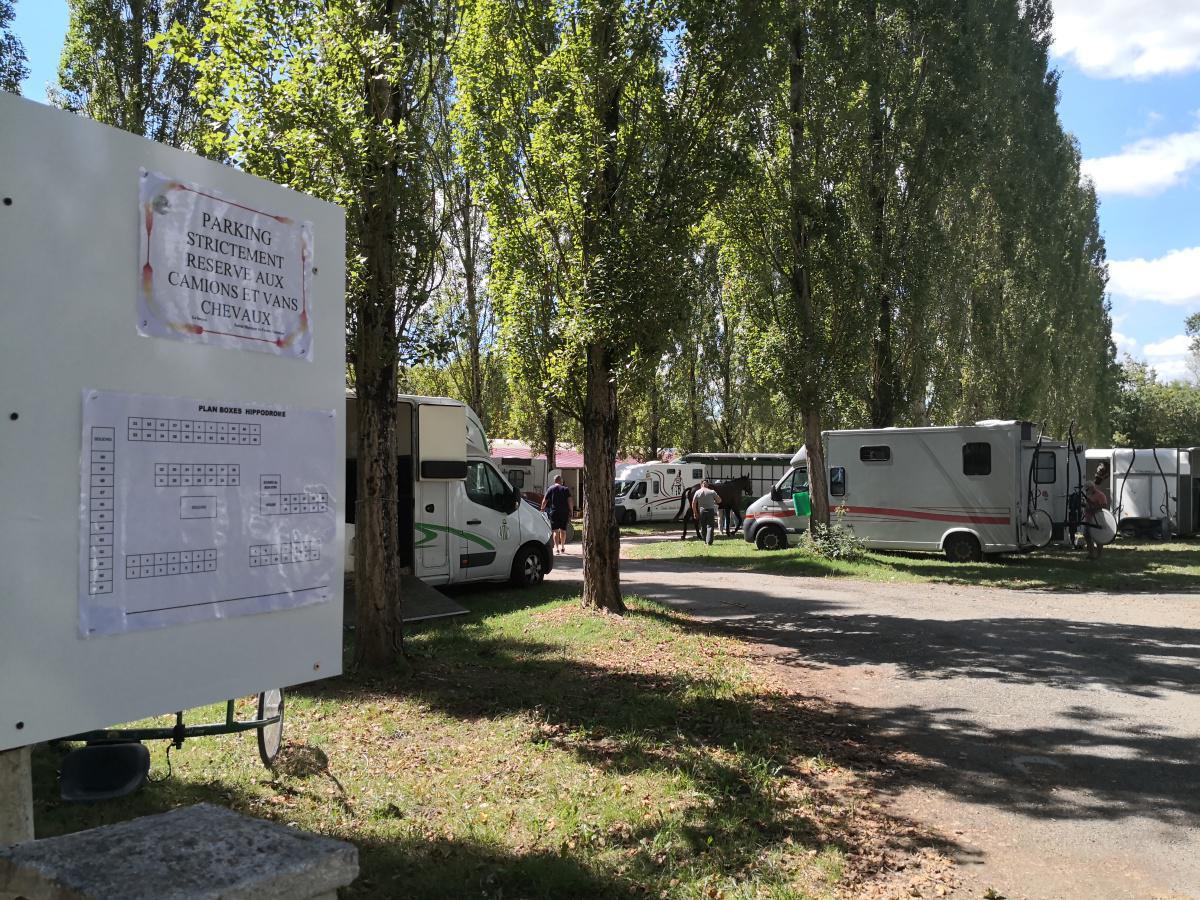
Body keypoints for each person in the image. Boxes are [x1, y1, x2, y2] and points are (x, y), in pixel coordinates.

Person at [1082, 467, 1109, 560]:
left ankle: (1099, 555)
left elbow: (1104, 506)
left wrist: (1092, 508)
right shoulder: (1089, 495)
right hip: (1088, 519)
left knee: (1098, 537)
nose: (1086, 491)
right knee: (1087, 536)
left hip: (1098, 519)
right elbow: (1088, 505)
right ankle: (1091, 553)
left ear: (1092, 487)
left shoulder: (1100, 495)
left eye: (1087, 489)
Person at [541, 475, 572, 554]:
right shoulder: (565, 489)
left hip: (554, 512)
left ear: (555, 481)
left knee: (555, 531)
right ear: (560, 481)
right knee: (563, 530)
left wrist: (542, 509)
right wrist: (571, 510)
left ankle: (557, 548)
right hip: (564, 512)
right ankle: (562, 547)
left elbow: (545, 500)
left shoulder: (550, 489)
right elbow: (570, 501)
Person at [691, 479, 719, 546]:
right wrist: (714, 501)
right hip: (710, 511)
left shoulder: (697, 492)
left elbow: (693, 504)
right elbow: (719, 500)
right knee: (710, 526)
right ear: (708, 485)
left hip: (702, 511)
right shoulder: (712, 491)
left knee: (703, 526)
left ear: (701, 485)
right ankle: (709, 541)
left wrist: (695, 513)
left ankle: (705, 540)